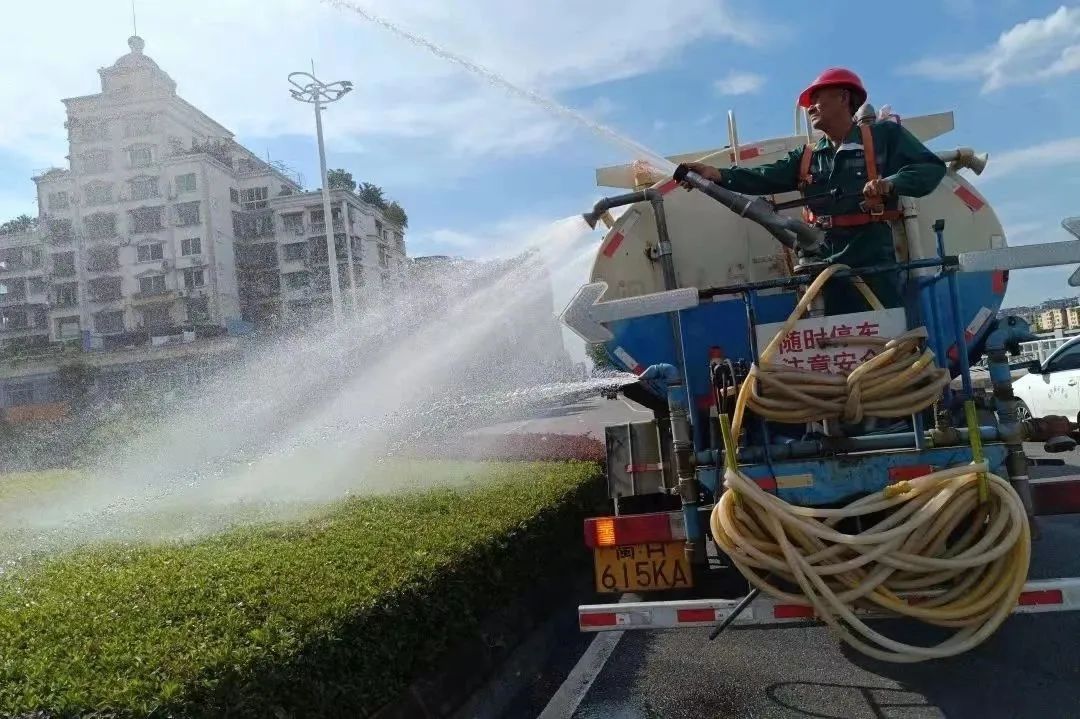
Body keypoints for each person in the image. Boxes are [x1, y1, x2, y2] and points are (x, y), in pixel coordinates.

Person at [681, 68, 946, 315]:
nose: (810, 108)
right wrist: (716, 175)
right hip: (821, 262)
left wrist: (891, 184)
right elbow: (763, 176)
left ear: (843, 98)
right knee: (832, 338)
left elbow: (930, 168)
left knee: (885, 335)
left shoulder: (883, 136)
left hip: (872, 262)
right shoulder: (808, 155)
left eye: (817, 99)